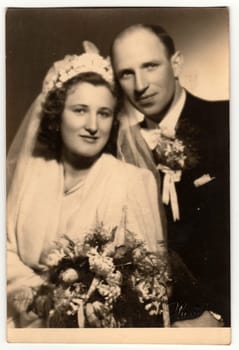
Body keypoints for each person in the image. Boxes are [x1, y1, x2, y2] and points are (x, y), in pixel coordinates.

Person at [6, 42, 166, 328]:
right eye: (80, 110)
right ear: (57, 115)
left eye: (104, 113)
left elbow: (147, 279)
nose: (93, 125)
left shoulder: (133, 182)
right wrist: (35, 296)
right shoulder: (31, 173)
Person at [111, 24, 230, 326]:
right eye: (127, 73)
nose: (140, 85)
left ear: (175, 64)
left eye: (150, 66)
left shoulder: (228, 122)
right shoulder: (112, 146)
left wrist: (223, 316)